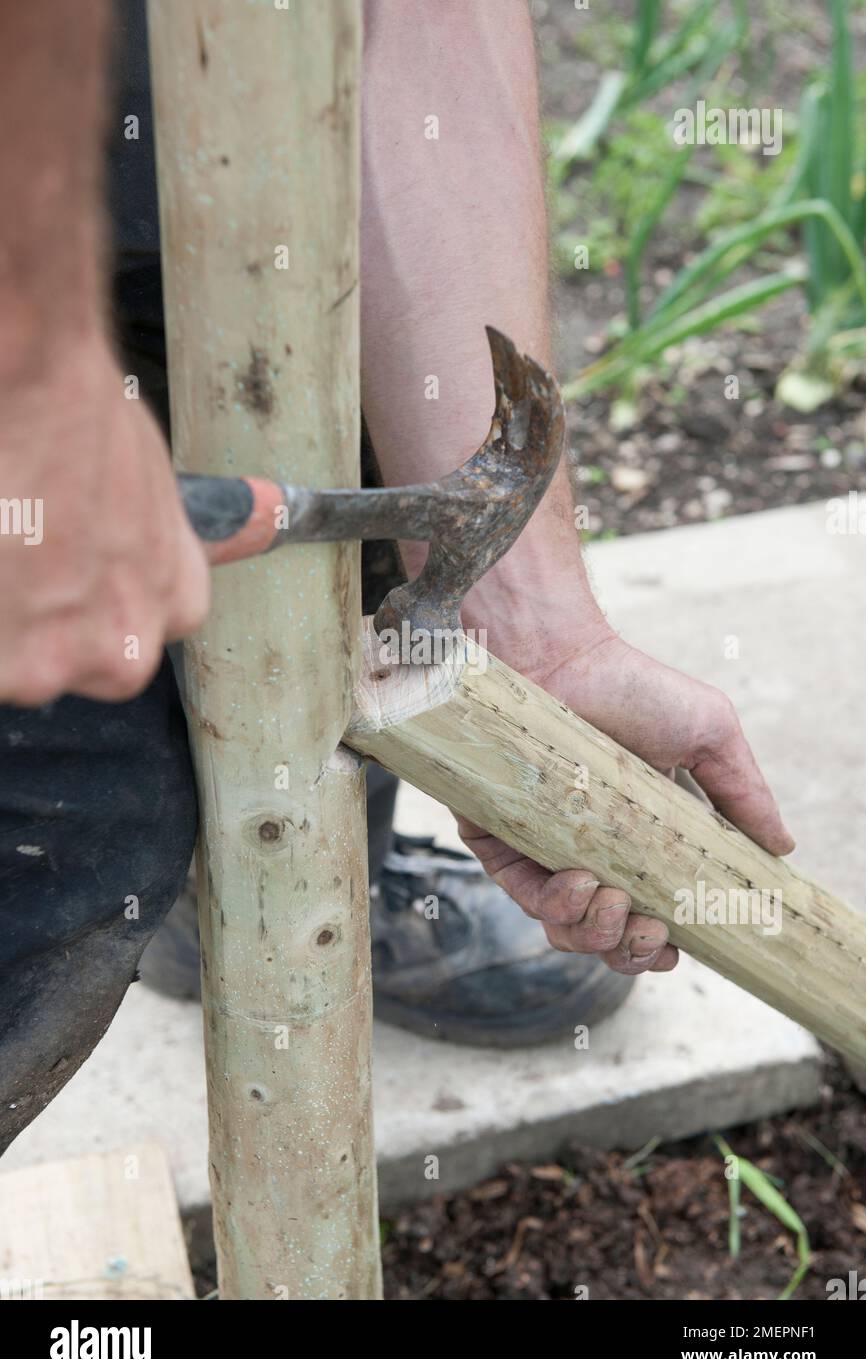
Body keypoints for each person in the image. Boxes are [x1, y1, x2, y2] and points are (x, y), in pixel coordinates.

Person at [0, 0, 794, 1155]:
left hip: (240, 180)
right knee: (62, 837)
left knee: (349, 488)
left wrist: (528, 628)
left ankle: (261, 891)